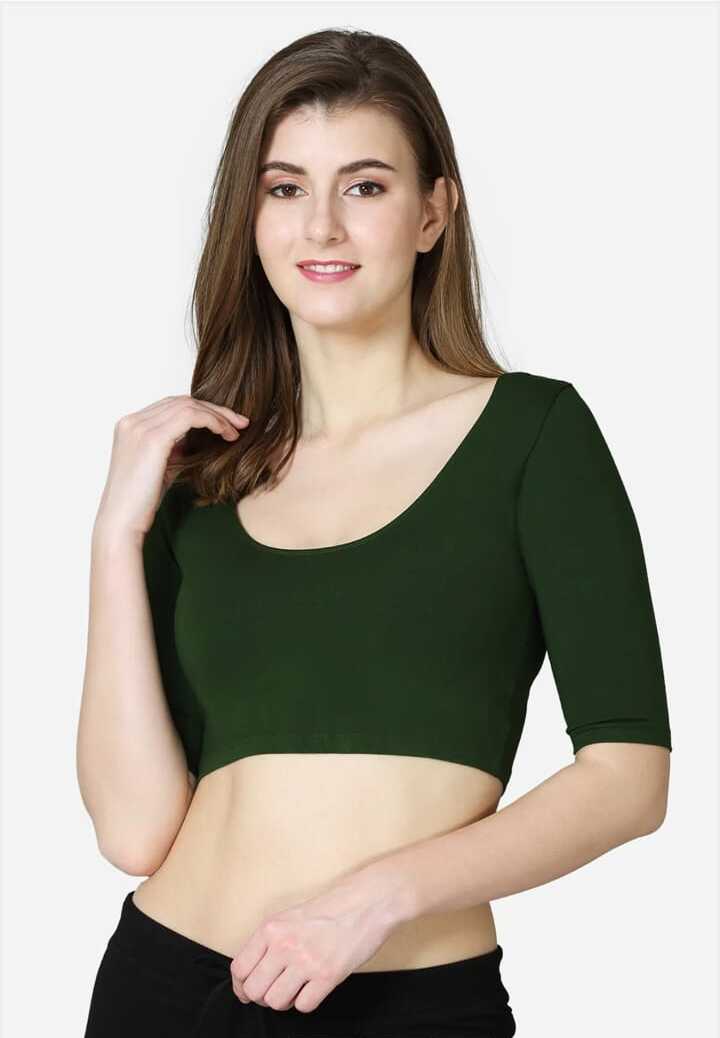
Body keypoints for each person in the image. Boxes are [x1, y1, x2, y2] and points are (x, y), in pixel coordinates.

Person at [77, 27, 672, 1038]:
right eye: (284, 188)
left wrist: (377, 898)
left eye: (364, 186)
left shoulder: (533, 435)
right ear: (249, 218)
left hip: (409, 1004)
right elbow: (135, 833)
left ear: (433, 211)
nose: (321, 225)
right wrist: (112, 538)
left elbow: (629, 779)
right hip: (166, 988)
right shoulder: (200, 478)